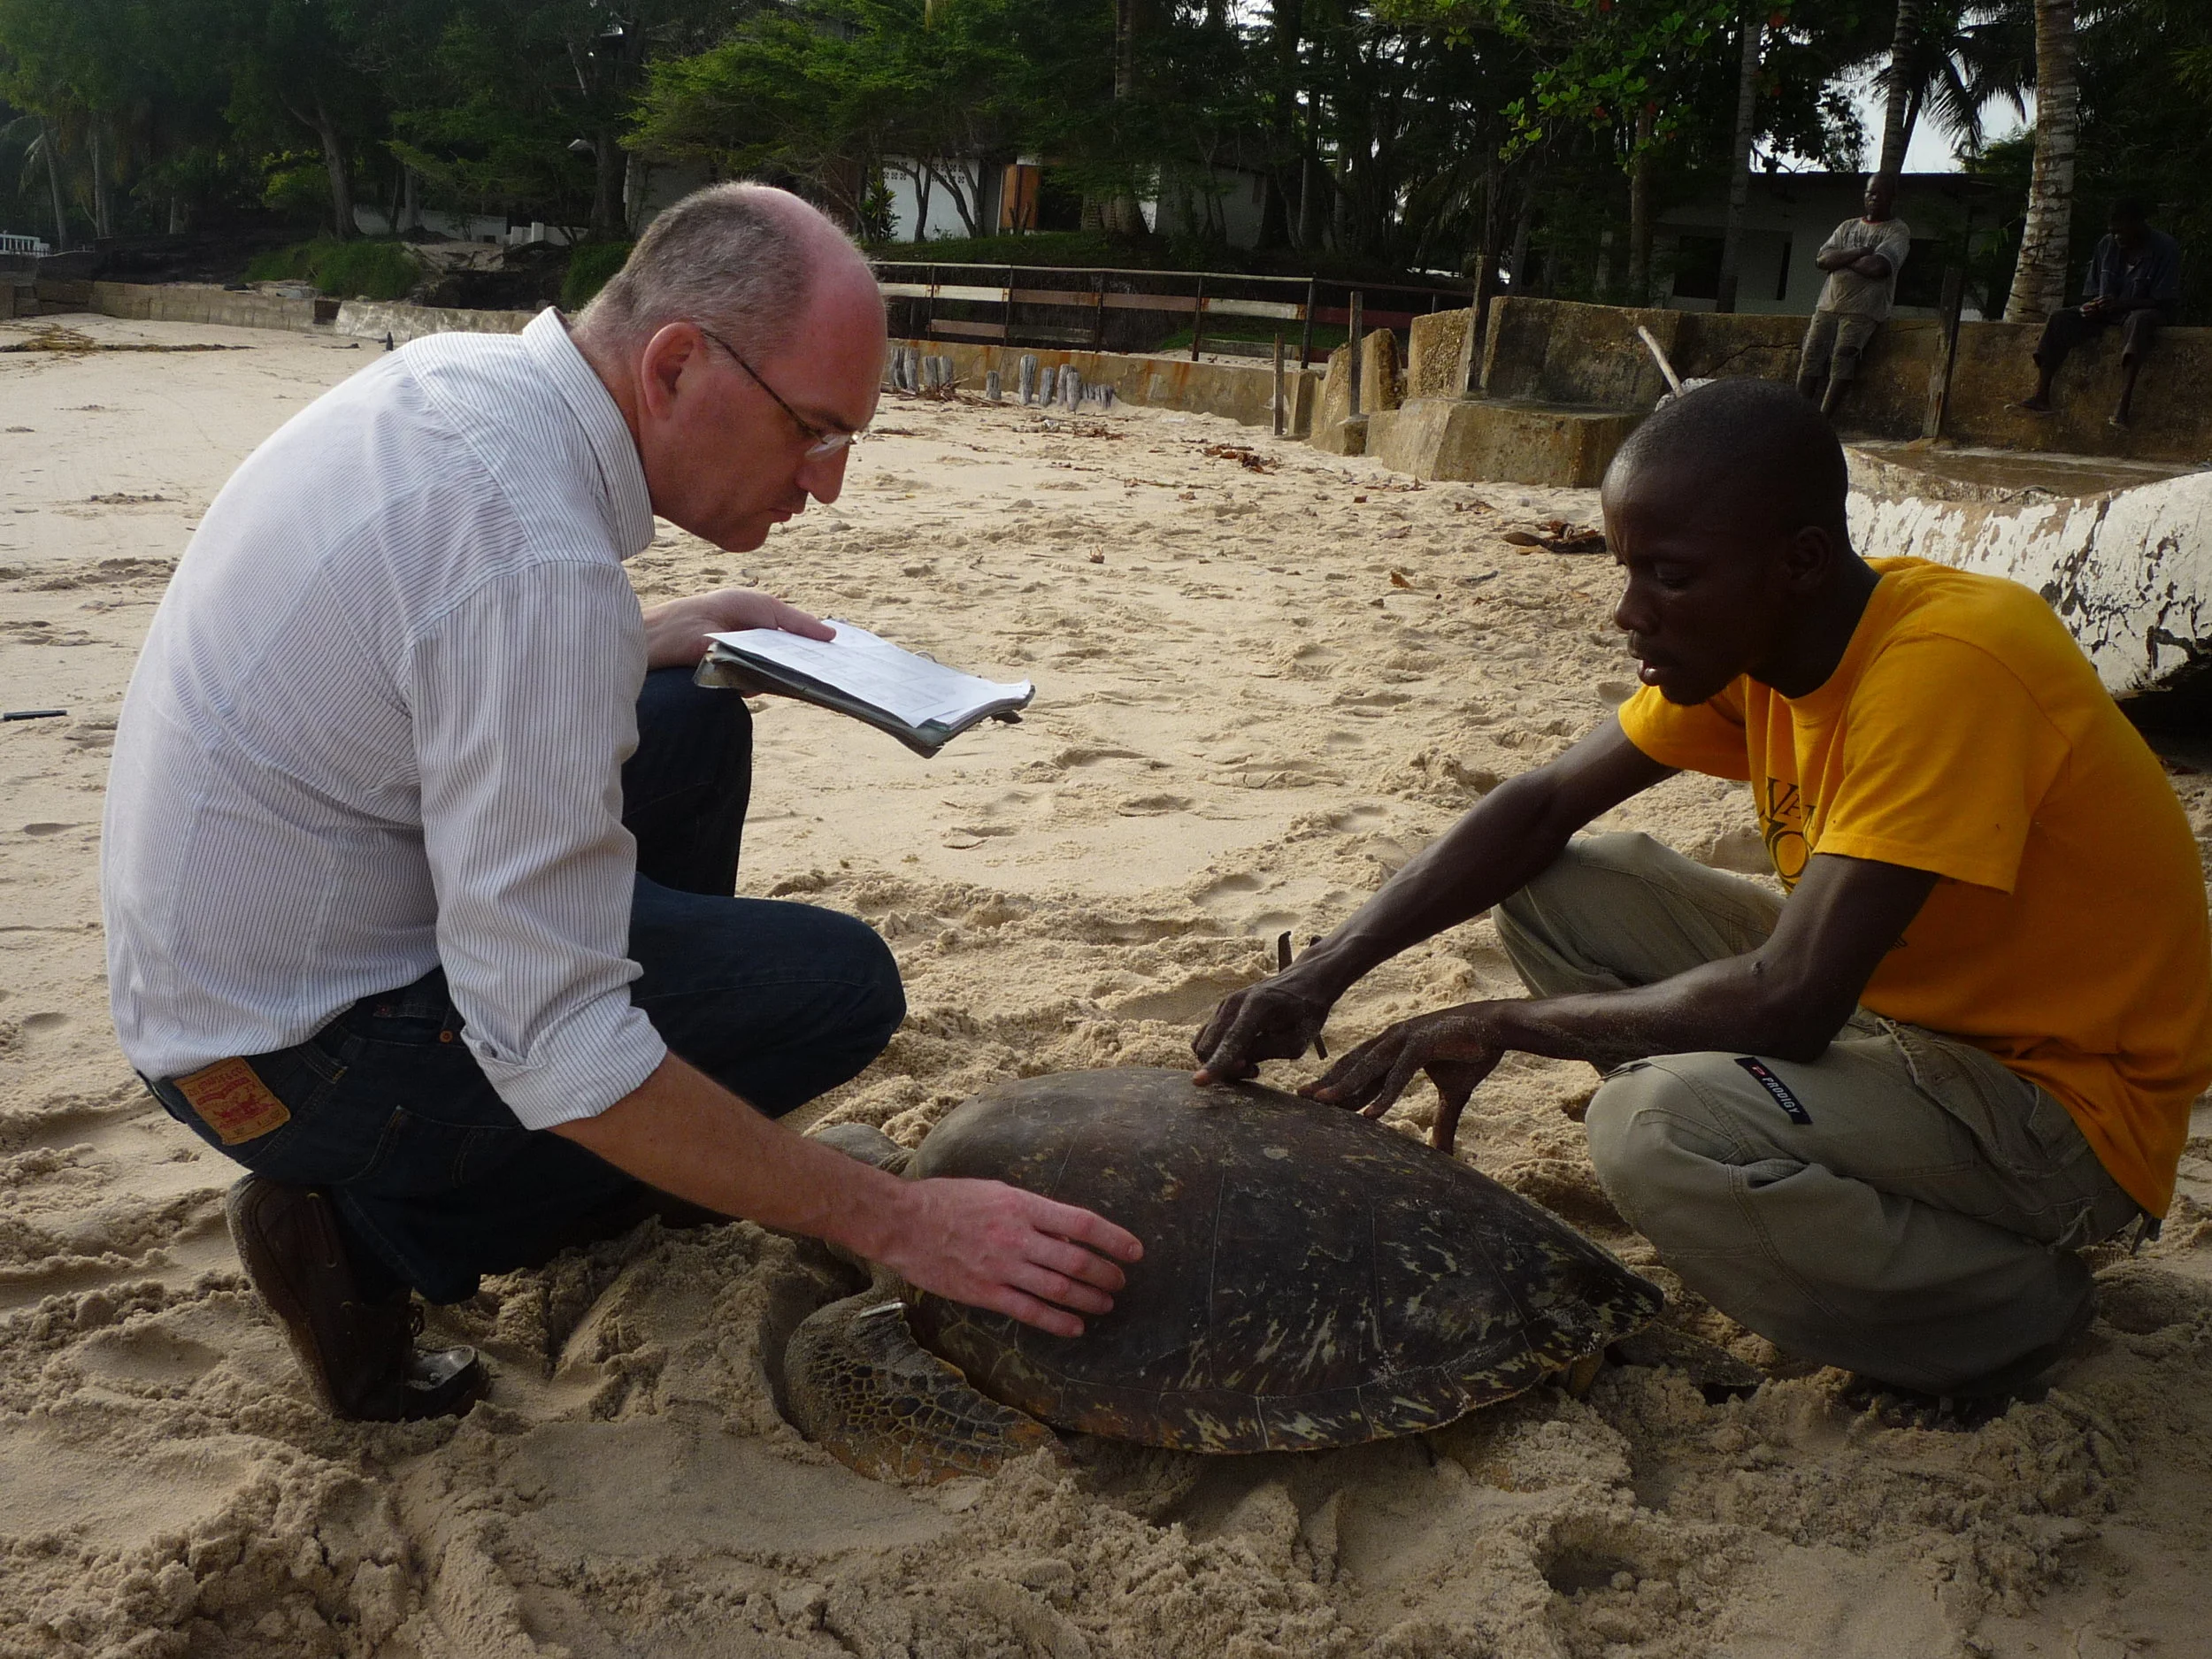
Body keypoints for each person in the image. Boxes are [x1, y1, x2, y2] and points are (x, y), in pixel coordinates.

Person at [102, 184, 1141, 1423]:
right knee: (839, 986)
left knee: (692, 717)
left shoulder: (468, 393)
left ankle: (651, 1141)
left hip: (224, 966)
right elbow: (552, 1034)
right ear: (676, 365)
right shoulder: (530, 556)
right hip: (286, 1053)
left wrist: (649, 634)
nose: (830, 484)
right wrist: (905, 1221)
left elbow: (434, 643)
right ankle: (364, 1235)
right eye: (814, 429)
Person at [1192, 378, 2211, 1406]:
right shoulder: (1768, 638)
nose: (1630, 613)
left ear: (1799, 561)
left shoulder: (1947, 666)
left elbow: (1792, 1000)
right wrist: (1321, 974)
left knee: (1652, 1126)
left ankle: (2008, 1310)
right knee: (1568, 889)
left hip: (2060, 1113)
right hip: (1906, 1013)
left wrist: (1492, 1018)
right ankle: (1787, 1176)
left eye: (1670, 578)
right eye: (1627, 568)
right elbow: (1540, 807)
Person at [2015, 199, 2182, 430]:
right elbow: (2093, 291)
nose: (2117, 238)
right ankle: (2041, 396)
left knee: (2139, 322)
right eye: (2113, 233)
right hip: (2108, 312)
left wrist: (2122, 304)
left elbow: (2164, 299)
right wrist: (2090, 306)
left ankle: (2123, 408)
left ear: (2138, 225)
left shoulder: (2165, 248)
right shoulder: (2106, 246)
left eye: (2122, 232)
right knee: (2060, 318)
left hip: (2145, 311)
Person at [1795, 174, 1911, 418]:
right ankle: (1798, 416)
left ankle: (1824, 420)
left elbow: (1878, 267)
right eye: (1870, 193)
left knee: (1843, 360)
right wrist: (1859, 252)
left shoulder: (1897, 230)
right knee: (1810, 358)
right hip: (1828, 305)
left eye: (1879, 194)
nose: (1873, 199)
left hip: (1863, 310)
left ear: (1892, 198)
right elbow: (1822, 260)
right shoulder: (1847, 227)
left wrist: (1842, 259)